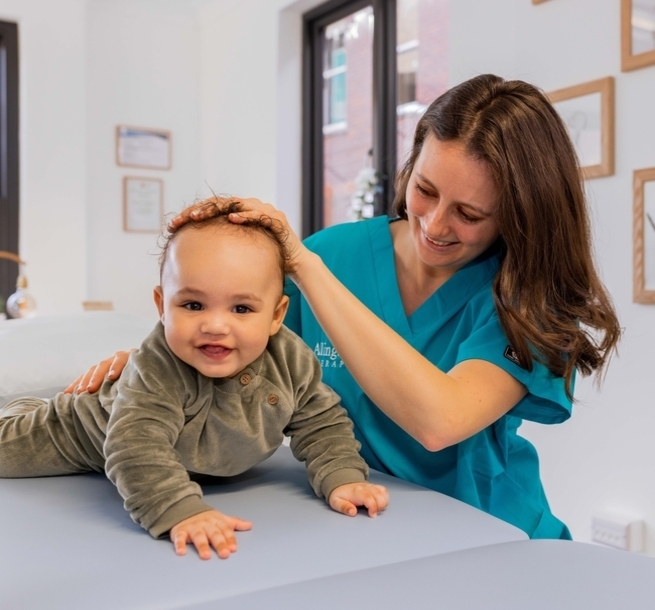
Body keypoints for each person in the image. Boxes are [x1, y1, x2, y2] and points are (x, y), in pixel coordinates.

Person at [69, 74, 621, 539]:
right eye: (425, 189)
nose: (432, 223)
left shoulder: (526, 298)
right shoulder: (340, 251)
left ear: (520, 213)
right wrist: (155, 367)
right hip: (351, 519)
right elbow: (229, 345)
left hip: (487, 531)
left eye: (469, 213)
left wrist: (306, 267)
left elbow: (441, 421)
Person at [0, 198, 389, 560]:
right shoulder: (159, 367)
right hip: (80, 430)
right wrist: (179, 511)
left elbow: (322, 423)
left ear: (276, 314)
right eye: (192, 305)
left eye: (241, 308)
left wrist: (342, 478)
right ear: (161, 306)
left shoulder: (291, 360)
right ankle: (28, 410)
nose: (215, 325)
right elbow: (135, 449)